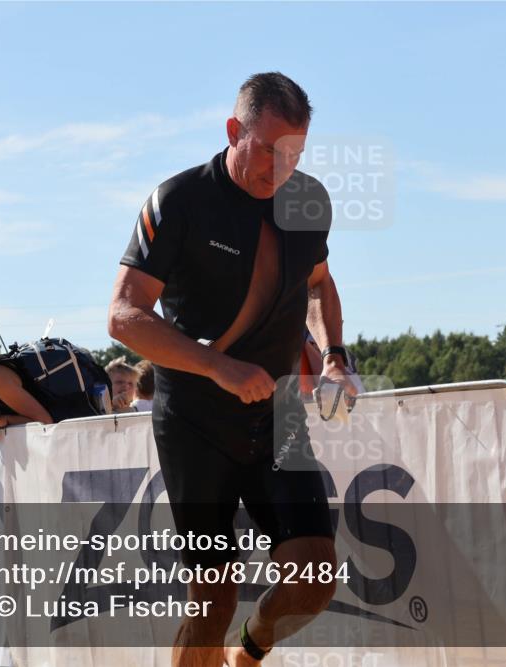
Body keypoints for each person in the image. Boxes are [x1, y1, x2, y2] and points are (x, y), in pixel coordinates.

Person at [108, 72, 356, 667]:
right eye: (269, 150)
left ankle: (249, 653)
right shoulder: (180, 200)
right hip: (196, 421)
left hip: (277, 417)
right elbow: (123, 316)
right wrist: (217, 367)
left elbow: (319, 286)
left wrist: (335, 358)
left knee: (316, 574)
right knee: (211, 602)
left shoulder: (308, 201)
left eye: (294, 153)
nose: (282, 168)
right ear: (233, 131)